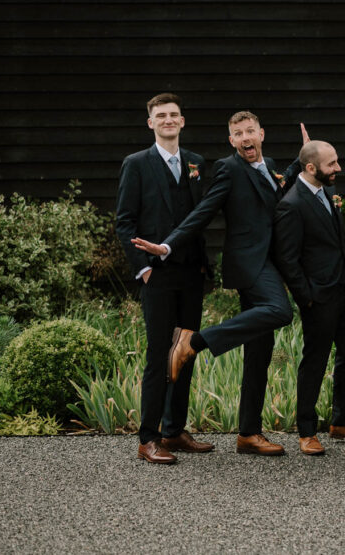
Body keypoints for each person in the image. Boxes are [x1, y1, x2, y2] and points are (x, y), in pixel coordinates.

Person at [132, 111, 300, 456]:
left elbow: (277, 192)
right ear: (231, 141)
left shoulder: (268, 164)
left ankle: (249, 433)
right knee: (280, 311)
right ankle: (195, 341)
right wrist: (168, 245)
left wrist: (302, 161)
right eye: (238, 134)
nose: (245, 138)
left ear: (261, 133)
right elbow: (204, 211)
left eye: (250, 131)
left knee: (260, 350)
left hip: (272, 261)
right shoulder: (229, 168)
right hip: (250, 264)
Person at [115, 93, 214, 464]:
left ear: (183, 122)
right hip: (156, 277)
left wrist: (204, 265)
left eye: (174, 115)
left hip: (190, 274)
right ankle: (148, 438)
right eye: (161, 116)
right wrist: (143, 268)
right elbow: (124, 221)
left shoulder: (196, 164)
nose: (168, 120)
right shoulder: (136, 164)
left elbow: (200, 216)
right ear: (151, 123)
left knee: (184, 353)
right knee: (159, 355)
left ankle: (174, 431)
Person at [272, 140, 345, 456]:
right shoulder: (291, 204)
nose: (338, 168)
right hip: (318, 296)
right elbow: (287, 259)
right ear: (310, 168)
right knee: (315, 360)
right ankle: (306, 431)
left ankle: (343, 422)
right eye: (332, 163)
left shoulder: (328, 195)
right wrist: (306, 298)